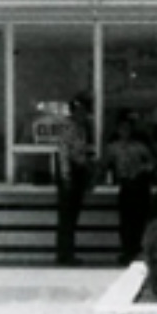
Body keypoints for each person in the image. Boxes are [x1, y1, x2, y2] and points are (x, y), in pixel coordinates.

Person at [101, 110, 154, 264]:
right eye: (122, 128)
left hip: (139, 185)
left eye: (127, 128)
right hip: (125, 185)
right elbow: (104, 165)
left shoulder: (139, 147)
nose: (125, 131)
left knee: (139, 219)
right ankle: (126, 250)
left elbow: (151, 163)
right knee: (126, 221)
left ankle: (136, 249)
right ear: (118, 130)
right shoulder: (113, 148)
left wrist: (142, 169)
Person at [55, 93, 94, 266]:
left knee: (72, 216)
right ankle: (64, 253)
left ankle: (68, 251)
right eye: (80, 110)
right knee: (67, 217)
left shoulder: (82, 128)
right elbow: (64, 153)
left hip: (78, 171)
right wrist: (66, 176)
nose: (83, 114)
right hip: (70, 172)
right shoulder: (69, 128)